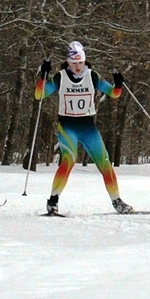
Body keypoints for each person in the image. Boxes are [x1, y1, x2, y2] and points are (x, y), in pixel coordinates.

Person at [35, 41, 133, 215]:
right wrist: (43, 76)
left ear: (85, 61)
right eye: (74, 63)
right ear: (68, 63)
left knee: (105, 163)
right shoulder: (61, 76)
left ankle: (117, 201)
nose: (77, 67)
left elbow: (114, 94)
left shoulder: (93, 76)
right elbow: (39, 95)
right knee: (69, 160)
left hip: (88, 126)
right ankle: (53, 201)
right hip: (67, 126)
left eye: (80, 63)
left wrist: (118, 83)